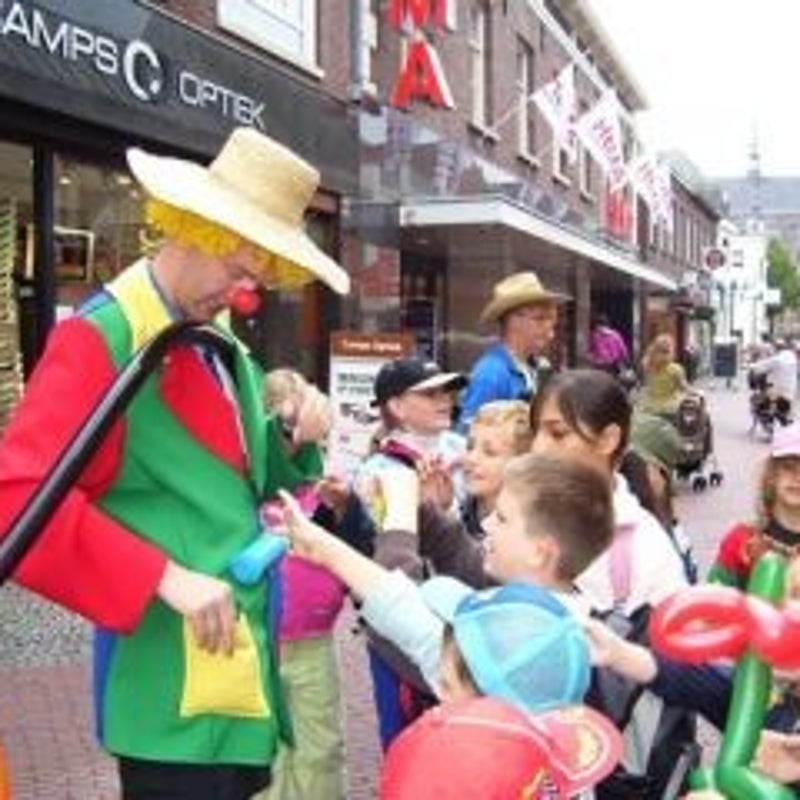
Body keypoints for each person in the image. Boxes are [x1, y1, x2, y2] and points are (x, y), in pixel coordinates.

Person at [0, 128, 349, 800]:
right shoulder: (101, 337)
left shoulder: (216, 339)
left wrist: (295, 435)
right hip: (171, 681)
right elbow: (18, 501)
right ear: (194, 229)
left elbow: (245, 477)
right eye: (240, 270)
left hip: (240, 674)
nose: (247, 294)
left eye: (259, 278)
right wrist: (161, 576)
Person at [278, 484, 622, 800]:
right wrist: (322, 546)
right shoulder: (526, 707)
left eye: (444, 682)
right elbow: (404, 612)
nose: (438, 687)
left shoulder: (457, 778)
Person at [353, 355, 468, 748]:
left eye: (447, 391)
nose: (444, 400)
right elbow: (392, 549)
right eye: (430, 393)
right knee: (406, 733)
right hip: (406, 617)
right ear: (396, 407)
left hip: (465, 615)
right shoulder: (376, 471)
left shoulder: (465, 449)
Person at [457, 271, 566, 431]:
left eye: (551, 320)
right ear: (513, 321)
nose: (549, 328)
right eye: (540, 318)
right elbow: (469, 433)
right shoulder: (491, 373)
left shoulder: (537, 367)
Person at [637, 333, 690, 417]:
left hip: (648, 404)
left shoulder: (647, 366)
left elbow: (646, 384)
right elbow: (684, 387)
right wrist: (694, 392)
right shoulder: (676, 369)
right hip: (669, 406)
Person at [749, 339, 798, 426]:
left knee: (767, 400)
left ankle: (769, 420)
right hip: (789, 393)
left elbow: (761, 367)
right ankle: (778, 418)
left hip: (776, 392)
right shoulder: (793, 360)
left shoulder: (776, 359)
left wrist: (750, 366)